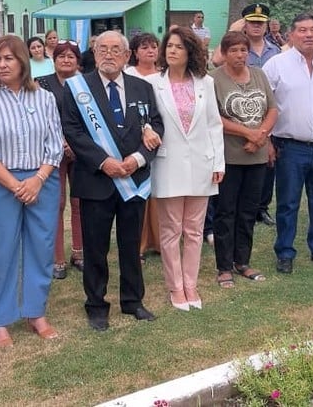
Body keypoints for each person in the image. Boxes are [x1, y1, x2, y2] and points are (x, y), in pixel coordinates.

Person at [61, 31, 164, 331]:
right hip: (96, 180)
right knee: (95, 248)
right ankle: (96, 305)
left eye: (115, 49)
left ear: (126, 55)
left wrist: (137, 159)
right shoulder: (77, 89)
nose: (108, 54)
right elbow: (73, 130)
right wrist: (104, 162)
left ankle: (132, 301)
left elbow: (155, 125)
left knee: (131, 245)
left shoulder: (142, 87)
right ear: (93, 54)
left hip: (134, 179)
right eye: (102, 49)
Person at [0, 35, 63, 346]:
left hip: (42, 180)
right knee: (1, 251)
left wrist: (37, 180)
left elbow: (55, 145)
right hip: (0, 183)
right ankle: (0, 318)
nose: (2, 64)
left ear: (23, 61)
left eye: (9, 58)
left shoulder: (45, 98)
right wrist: (15, 185)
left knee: (41, 247)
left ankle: (36, 312)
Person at [145, 27, 224, 311]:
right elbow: (146, 118)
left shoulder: (206, 83)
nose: (172, 50)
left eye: (179, 46)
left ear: (190, 51)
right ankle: (175, 286)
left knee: (194, 230)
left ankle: (191, 284)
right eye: (169, 46)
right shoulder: (153, 83)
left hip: (202, 163)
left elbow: (214, 124)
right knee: (170, 231)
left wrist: (218, 162)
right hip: (168, 164)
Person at [263, 14, 313, 273]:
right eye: (302, 30)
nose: (309, 35)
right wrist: (267, 140)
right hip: (290, 147)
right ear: (291, 35)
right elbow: (266, 105)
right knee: (288, 202)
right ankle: (285, 251)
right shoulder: (276, 65)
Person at [211, 31, 278, 288]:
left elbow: (272, 108)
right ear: (225, 53)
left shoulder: (259, 75)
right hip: (229, 156)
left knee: (249, 211)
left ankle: (243, 261)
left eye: (243, 50)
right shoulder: (213, 79)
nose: (239, 55)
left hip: (257, 155)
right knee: (226, 211)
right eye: (234, 50)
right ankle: (224, 266)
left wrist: (260, 136)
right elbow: (213, 117)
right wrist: (247, 132)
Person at [36, 41, 85, 280]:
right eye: (61, 56)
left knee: (79, 202)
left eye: (71, 56)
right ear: (53, 59)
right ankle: (57, 259)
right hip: (51, 152)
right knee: (56, 203)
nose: (66, 60)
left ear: (78, 60)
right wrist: (62, 142)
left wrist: (76, 144)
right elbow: (40, 118)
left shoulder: (85, 84)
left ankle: (79, 252)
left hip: (82, 152)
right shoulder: (41, 84)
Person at [123, 32, 162, 260]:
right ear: (135, 52)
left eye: (154, 46)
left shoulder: (164, 76)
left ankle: (159, 239)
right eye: (145, 47)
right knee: (139, 192)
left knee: (158, 190)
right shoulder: (128, 75)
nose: (150, 51)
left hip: (160, 137)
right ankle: (139, 242)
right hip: (136, 141)